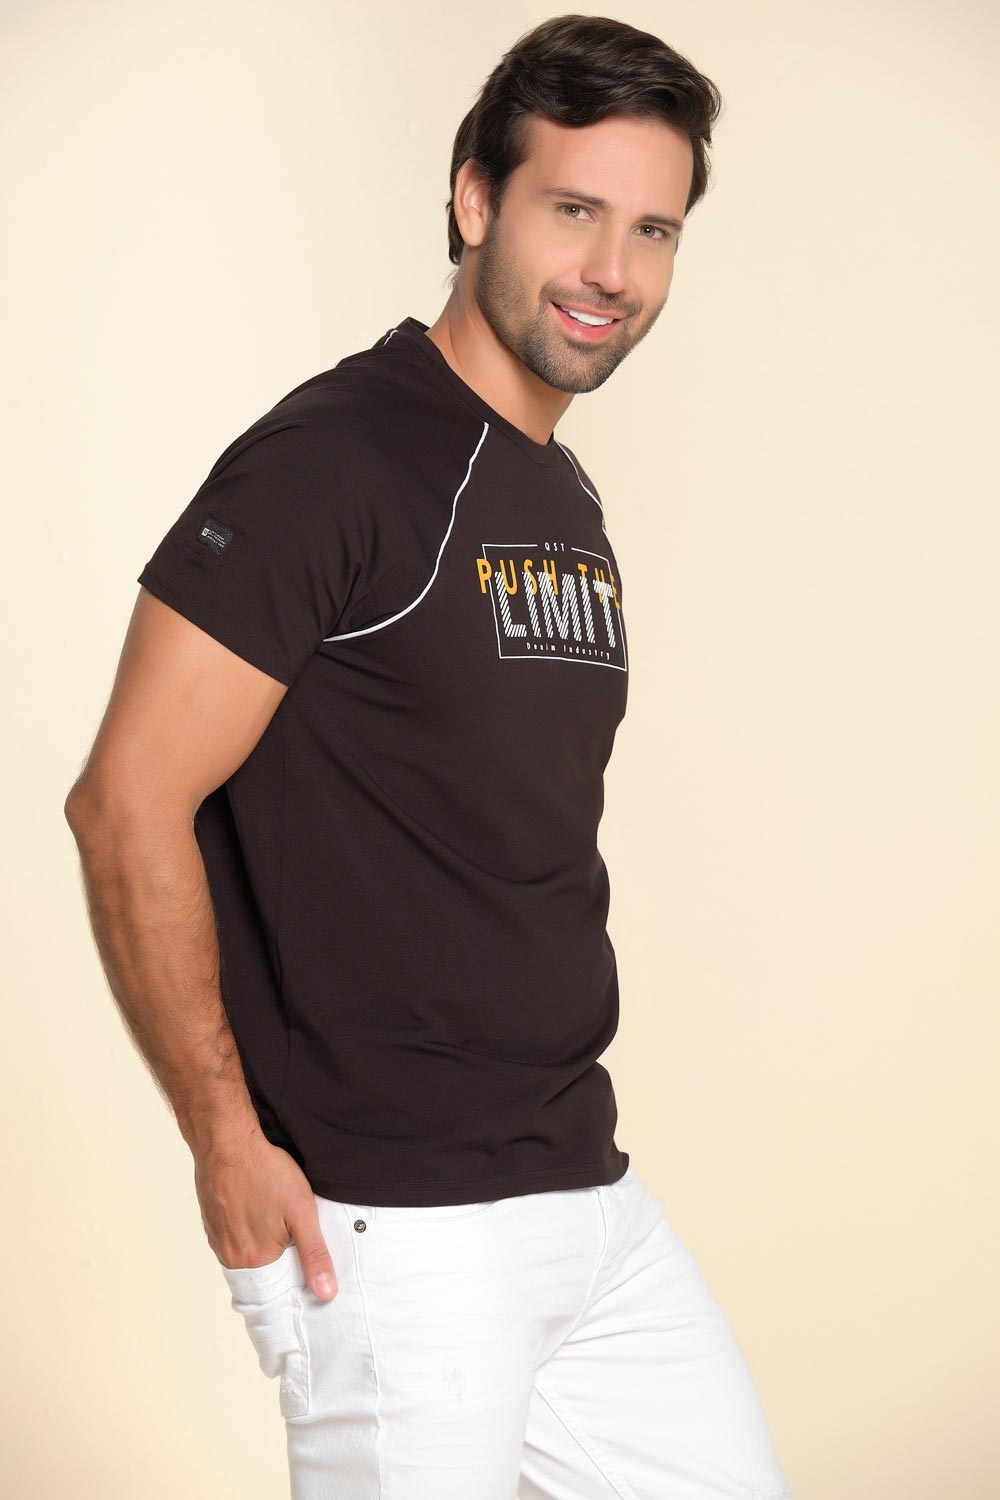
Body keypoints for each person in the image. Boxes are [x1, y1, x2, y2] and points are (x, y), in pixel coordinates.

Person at [65, 14, 795, 1499]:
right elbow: (126, 799)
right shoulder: (336, 459)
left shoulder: (562, 495)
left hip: (583, 1196)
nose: (611, 270)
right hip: (397, 1235)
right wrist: (224, 1139)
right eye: (573, 210)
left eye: (653, 229)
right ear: (475, 199)